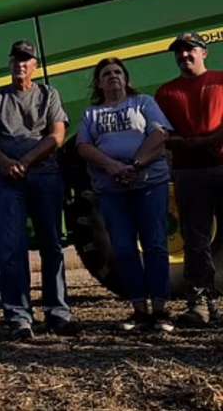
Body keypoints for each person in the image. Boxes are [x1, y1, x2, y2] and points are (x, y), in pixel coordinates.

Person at [0, 40, 75, 341]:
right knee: (11, 248)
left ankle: (58, 312)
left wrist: (25, 160)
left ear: (35, 65)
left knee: (52, 244)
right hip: (7, 181)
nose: (21, 64)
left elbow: (57, 135)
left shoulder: (48, 94)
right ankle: (19, 317)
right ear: (9, 65)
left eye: (27, 60)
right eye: (16, 59)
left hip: (44, 176)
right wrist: (7, 163)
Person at [77, 58, 173, 332]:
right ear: (99, 82)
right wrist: (112, 166)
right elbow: (83, 146)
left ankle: (161, 309)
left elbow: (159, 134)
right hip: (111, 190)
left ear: (126, 78)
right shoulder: (91, 114)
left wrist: (136, 164)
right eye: (106, 73)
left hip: (149, 184)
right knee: (123, 247)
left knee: (155, 243)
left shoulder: (143, 103)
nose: (113, 76)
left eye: (118, 72)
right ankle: (139, 309)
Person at [156, 32, 223, 325]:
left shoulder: (220, 81)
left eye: (190, 50)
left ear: (204, 52)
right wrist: (188, 144)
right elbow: (162, 134)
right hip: (188, 172)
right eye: (179, 53)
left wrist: (206, 140)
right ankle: (200, 303)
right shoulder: (166, 93)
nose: (184, 56)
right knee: (195, 240)